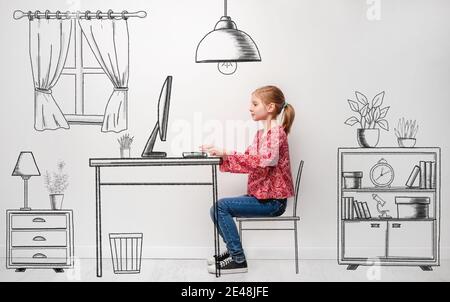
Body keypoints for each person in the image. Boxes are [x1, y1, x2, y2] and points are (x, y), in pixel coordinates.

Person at [200, 85, 295, 274]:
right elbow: (248, 161)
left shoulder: (277, 133)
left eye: (254, 103)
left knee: (221, 207)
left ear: (270, 107)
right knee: (216, 209)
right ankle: (234, 252)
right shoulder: (260, 135)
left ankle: (238, 259)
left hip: (273, 202)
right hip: (261, 197)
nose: (250, 108)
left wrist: (227, 153)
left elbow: (265, 160)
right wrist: (221, 155)